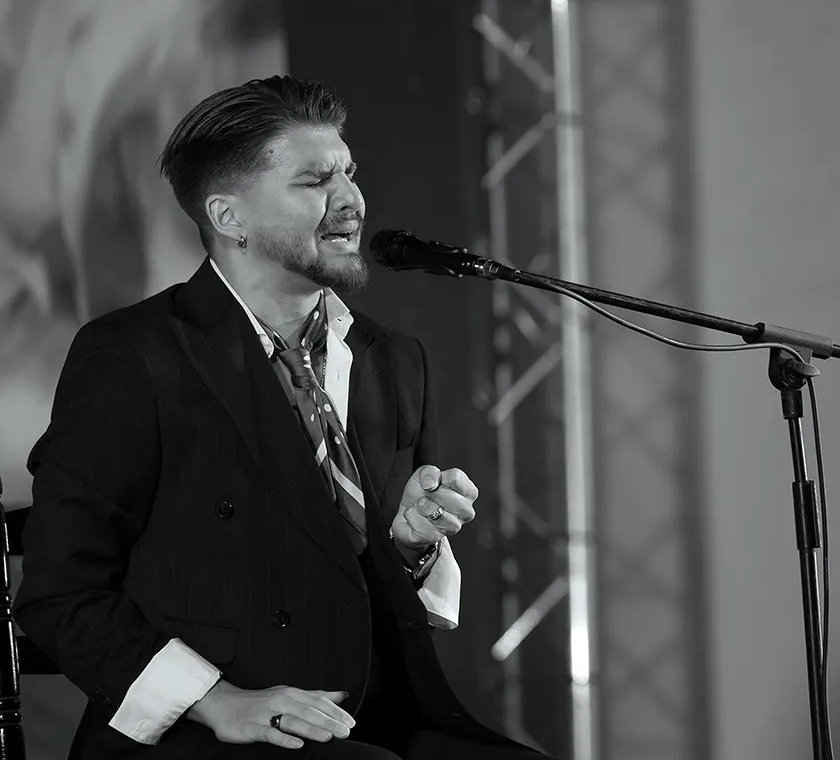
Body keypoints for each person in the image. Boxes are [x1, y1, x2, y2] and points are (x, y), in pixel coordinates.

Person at [15, 76, 555, 759]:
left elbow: (356, 590)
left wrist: (411, 546)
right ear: (229, 217)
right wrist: (219, 703)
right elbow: (61, 591)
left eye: (350, 174)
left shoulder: (391, 359)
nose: (351, 200)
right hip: (205, 734)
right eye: (313, 181)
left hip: (374, 719)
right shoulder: (136, 355)